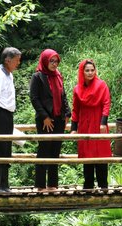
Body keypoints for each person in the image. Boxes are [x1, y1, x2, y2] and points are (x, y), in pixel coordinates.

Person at [29, 49, 71, 192]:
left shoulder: (58, 75)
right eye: (51, 61)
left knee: (55, 151)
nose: (54, 64)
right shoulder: (38, 76)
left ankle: (52, 185)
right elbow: (34, 99)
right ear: (45, 61)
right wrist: (45, 117)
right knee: (44, 150)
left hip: (59, 118)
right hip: (45, 120)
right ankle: (40, 185)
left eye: (56, 61)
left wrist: (67, 114)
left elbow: (63, 96)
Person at [70, 59, 112, 189]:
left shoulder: (102, 85)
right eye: (87, 70)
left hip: (98, 122)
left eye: (92, 70)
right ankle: (88, 185)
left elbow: (106, 103)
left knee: (101, 154)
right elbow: (75, 109)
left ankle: (103, 185)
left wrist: (103, 123)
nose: (90, 73)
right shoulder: (77, 89)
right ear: (82, 72)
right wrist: (73, 128)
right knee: (87, 153)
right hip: (84, 124)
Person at [0, 47, 21, 192]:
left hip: (7, 115)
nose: (18, 63)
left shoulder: (9, 75)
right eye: (17, 60)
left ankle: (4, 184)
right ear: (8, 60)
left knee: (6, 149)